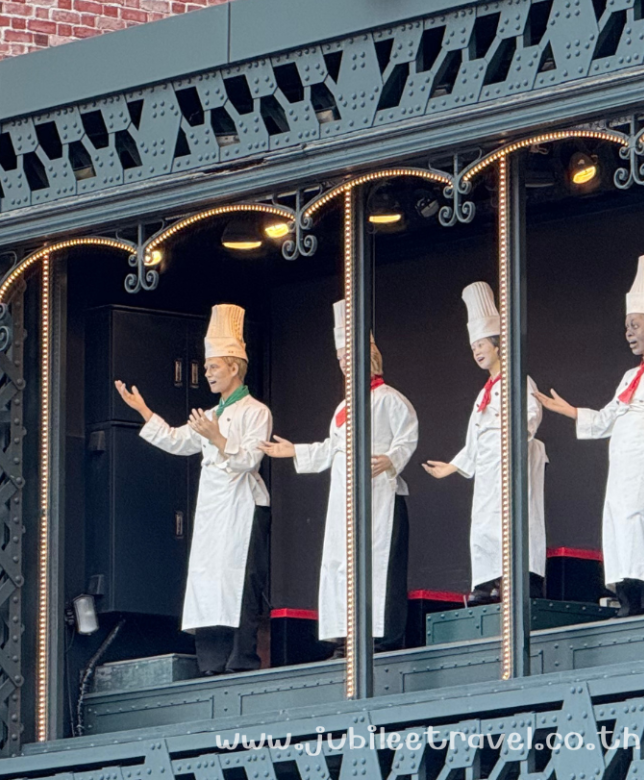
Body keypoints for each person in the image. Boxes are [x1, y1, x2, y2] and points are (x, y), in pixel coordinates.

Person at [536, 256, 644, 616]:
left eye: (634, 325)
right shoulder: (629, 377)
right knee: (624, 531)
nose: (628, 332)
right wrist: (569, 411)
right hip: (628, 472)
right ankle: (630, 600)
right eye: (627, 326)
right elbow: (607, 418)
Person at [113, 304, 271, 675]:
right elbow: (177, 440)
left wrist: (217, 438)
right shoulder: (211, 414)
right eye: (207, 367)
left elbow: (250, 458)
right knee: (208, 581)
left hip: (243, 505)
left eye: (214, 367)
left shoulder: (256, 411)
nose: (208, 374)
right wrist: (144, 411)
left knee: (240, 580)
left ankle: (241, 659)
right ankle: (211, 661)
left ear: (234, 367)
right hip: (213, 509)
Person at [260, 301, 418, 653]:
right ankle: (349, 635)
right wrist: (295, 451)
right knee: (342, 563)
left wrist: (391, 460)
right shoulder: (342, 408)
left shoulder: (390, 399)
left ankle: (382, 638)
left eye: (349, 354)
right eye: (340, 357)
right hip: (345, 500)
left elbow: (408, 437)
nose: (345, 362)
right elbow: (333, 448)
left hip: (379, 496)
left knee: (380, 566)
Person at [423, 281, 547, 604]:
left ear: (498, 345)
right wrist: (452, 466)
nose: (477, 351)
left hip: (511, 461)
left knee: (512, 520)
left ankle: (517, 579)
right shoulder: (484, 393)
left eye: (481, 344)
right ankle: (487, 582)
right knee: (484, 525)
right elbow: (475, 439)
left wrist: (513, 441)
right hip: (488, 467)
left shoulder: (518, 379)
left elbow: (531, 414)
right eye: (473, 347)